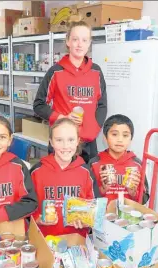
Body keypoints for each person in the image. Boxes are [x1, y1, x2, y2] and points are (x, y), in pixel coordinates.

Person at [33, 17, 107, 163]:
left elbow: (102, 105)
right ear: (67, 41)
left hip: (88, 143)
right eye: (75, 39)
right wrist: (63, 118)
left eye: (85, 40)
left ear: (89, 43)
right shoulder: (55, 72)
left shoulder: (96, 72)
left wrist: (93, 130)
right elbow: (38, 105)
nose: (80, 44)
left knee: (87, 182)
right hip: (62, 142)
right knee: (61, 182)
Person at [30, 118, 100, 238]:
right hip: (45, 241)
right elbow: (27, 207)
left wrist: (86, 223)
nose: (65, 146)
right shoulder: (37, 171)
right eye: (59, 140)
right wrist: (37, 219)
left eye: (71, 140)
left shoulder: (86, 172)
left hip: (77, 241)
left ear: (78, 141)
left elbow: (95, 209)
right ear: (51, 142)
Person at [89, 114, 149, 205]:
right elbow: (86, 197)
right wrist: (102, 189)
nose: (120, 139)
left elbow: (144, 198)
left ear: (130, 139)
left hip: (128, 215)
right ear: (105, 138)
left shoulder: (137, 164)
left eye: (125, 135)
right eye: (114, 134)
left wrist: (133, 193)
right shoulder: (94, 163)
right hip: (102, 215)